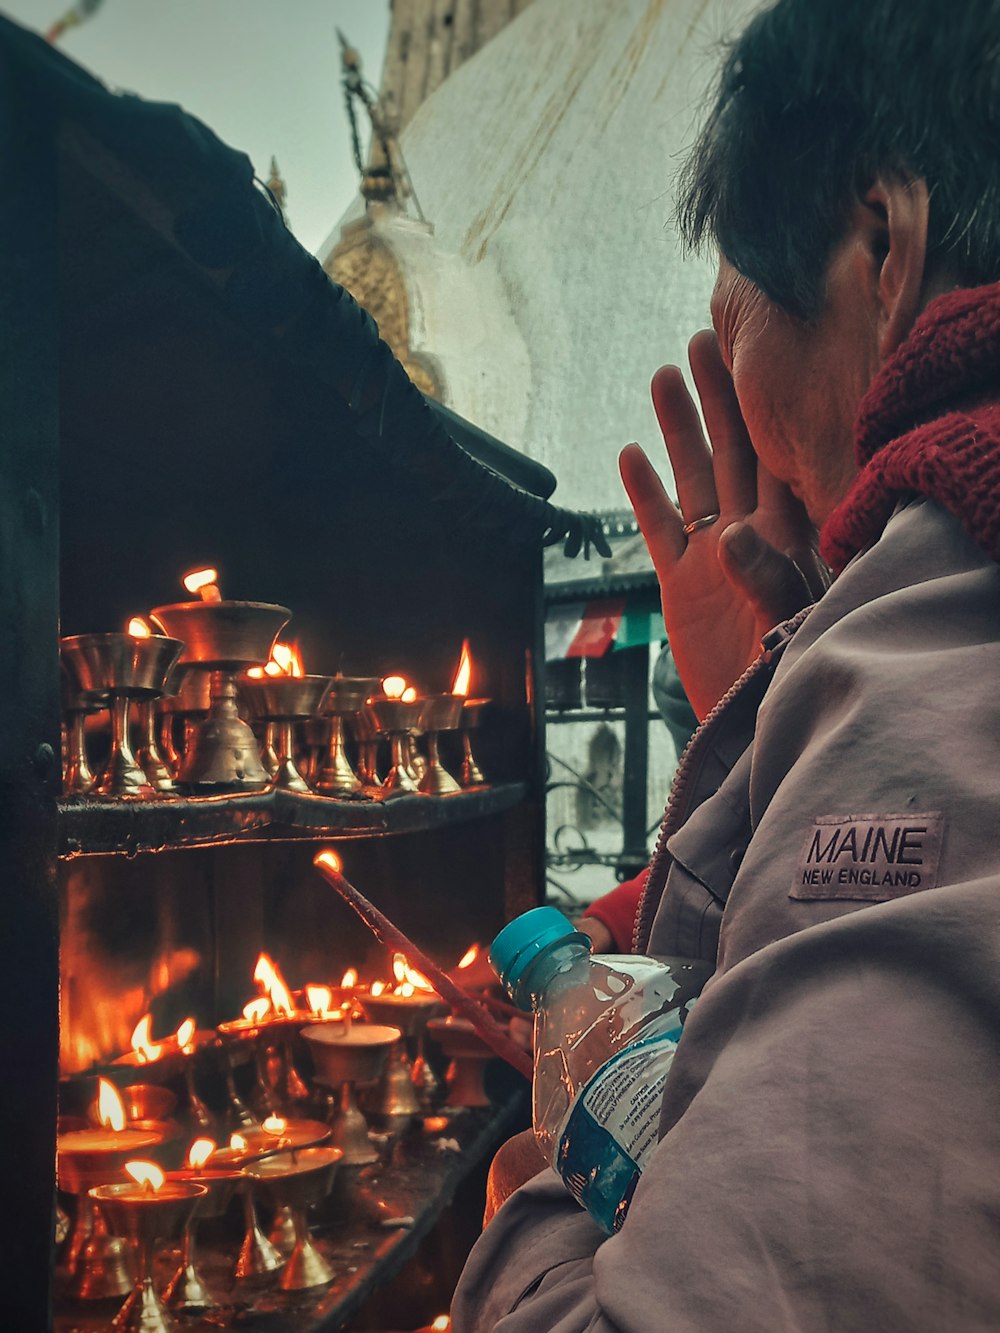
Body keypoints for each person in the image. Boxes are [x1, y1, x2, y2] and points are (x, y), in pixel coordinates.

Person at [451, 0, 1000, 1326]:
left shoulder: (941, 621)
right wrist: (758, 708)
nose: (727, 387)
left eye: (732, 314)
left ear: (880, 241)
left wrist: (534, 1193)